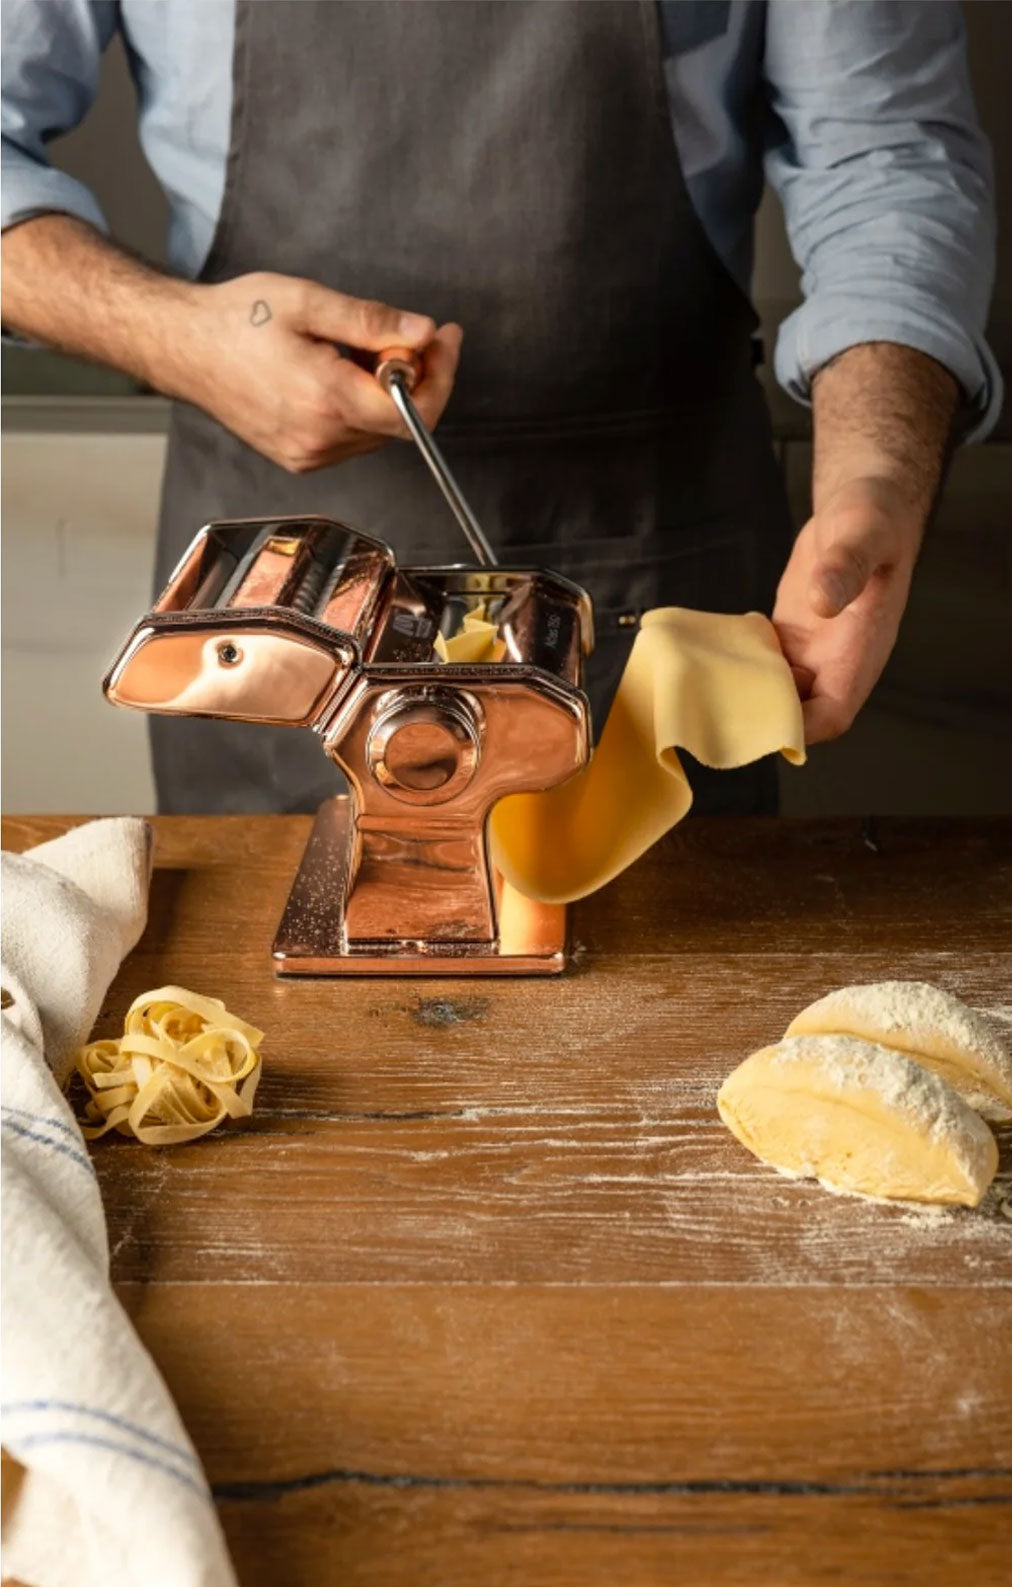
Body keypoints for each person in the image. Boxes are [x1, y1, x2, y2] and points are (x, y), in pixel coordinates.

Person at [2, 0, 1000, 815]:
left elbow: (884, 154)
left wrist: (877, 477)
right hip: (279, 614)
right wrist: (174, 334)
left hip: (663, 568)